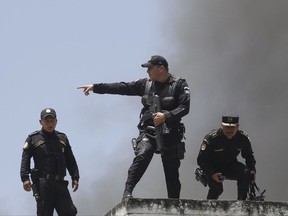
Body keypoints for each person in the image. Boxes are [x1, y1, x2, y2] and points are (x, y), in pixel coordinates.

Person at [77, 55, 190, 199]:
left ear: (161, 68)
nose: (147, 71)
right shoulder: (146, 85)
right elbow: (121, 87)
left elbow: (185, 107)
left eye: (150, 68)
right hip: (149, 133)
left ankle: (174, 204)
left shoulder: (179, 85)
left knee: (172, 172)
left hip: (171, 133)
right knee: (142, 156)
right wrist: (95, 87)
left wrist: (166, 116)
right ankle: (127, 193)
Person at [20, 108, 80, 216]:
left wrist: (75, 177)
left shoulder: (62, 138)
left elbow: (70, 159)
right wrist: (25, 178)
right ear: (41, 122)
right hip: (44, 184)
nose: (50, 124)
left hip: (60, 183)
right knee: (44, 213)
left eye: (52, 121)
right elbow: (25, 158)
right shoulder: (33, 138)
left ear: (56, 121)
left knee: (69, 211)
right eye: (47, 121)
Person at [197, 113, 256, 200]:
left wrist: (252, 170)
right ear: (221, 126)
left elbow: (249, 156)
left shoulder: (243, 138)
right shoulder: (211, 138)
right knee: (217, 189)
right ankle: (209, 208)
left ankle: (241, 205)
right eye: (227, 127)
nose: (229, 130)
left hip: (230, 165)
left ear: (238, 126)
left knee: (246, 172)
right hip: (212, 167)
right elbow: (201, 160)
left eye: (232, 127)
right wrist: (212, 174)